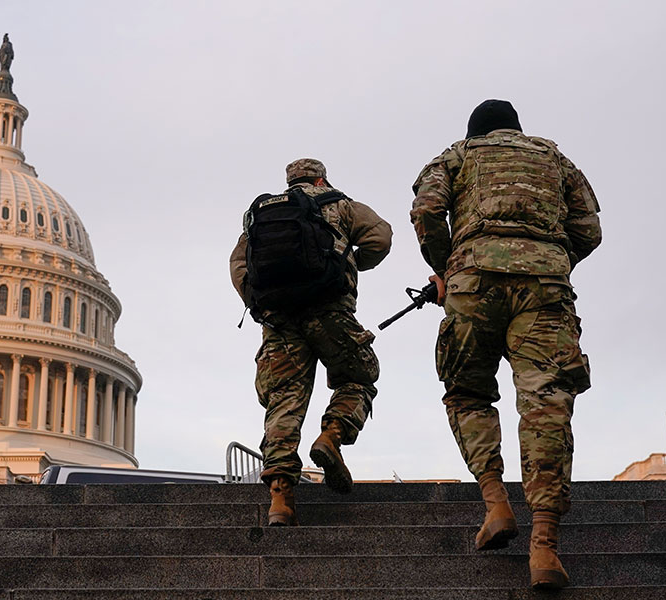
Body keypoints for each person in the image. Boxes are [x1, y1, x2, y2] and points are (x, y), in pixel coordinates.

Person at [410, 100, 602, 589]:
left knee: (467, 392)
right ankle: (545, 548)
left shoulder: (455, 156)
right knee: (546, 403)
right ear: (516, 129)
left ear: (476, 131)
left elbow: (428, 210)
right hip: (545, 285)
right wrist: (548, 256)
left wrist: (447, 266)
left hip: (472, 281)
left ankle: (496, 504)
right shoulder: (556, 160)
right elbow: (589, 230)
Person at [230, 158, 392, 526]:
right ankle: (332, 435)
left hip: (279, 322)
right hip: (330, 311)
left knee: (284, 402)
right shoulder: (341, 205)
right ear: (321, 178)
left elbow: (239, 264)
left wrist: (258, 303)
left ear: (289, 183)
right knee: (360, 377)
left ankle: (280, 500)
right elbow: (380, 238)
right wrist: (348, 263)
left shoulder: (259, 216)